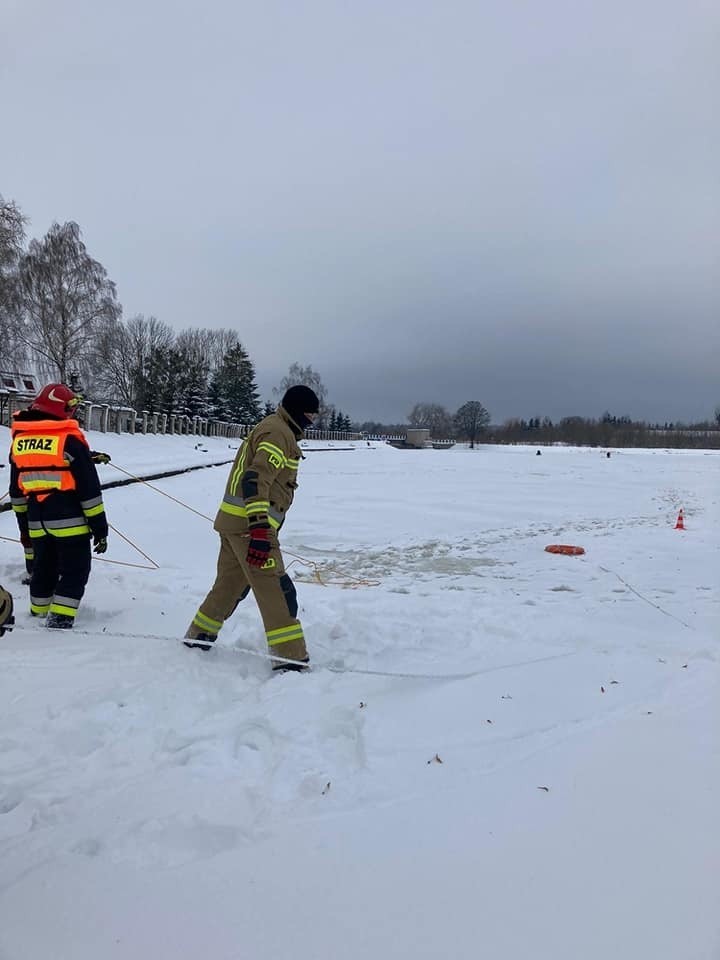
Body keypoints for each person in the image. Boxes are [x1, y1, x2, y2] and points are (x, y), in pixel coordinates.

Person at [184, 385, 319, 671]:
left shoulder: (277, 428)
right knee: (278, 593)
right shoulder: (278, 433)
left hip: (234, 525)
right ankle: (290, 659)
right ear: (298, 410)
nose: (312, 420)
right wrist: (259, 531)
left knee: (229, 586)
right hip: (250, 528)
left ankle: (198, 637)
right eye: (310, 414)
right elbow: (255, 480)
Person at [8, 383, 109, 629]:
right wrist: (100, 529)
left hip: (35, 519)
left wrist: (24, 527)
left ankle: (38, 610)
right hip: (69, 519)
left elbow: (16, 491)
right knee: (76, 569)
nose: (72, 413)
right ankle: (60, 619)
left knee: (44, 566)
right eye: (70, 407)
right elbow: (89, 491)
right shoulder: (70, 440)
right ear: (60, 408)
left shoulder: (19, 442)